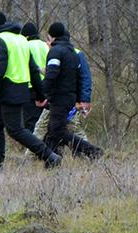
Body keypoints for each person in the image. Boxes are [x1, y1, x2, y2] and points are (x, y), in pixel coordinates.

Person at [0, 11, 61, 169]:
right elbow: (33, 69)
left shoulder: (0, 40)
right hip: (20, 90)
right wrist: (40, 94)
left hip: (8, 91)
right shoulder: (21, 40)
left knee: (16, 130)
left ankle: (49, 156)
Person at [41, 22, 102, 159]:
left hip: (60, 98)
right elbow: (79, 78)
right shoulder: (72, 52)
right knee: (53, 129)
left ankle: (92, 150)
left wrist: (41, 92)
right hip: (69, 98)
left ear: (52, 36)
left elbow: (51, 75)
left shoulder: (56, 52)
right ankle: (52, 160)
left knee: (57, 130)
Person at [21, 22, 49, 131]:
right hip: (46, 86)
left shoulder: (24, 46)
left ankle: (34, 145)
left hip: (30, 87)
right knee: (45, 121)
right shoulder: (45, 46)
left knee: (31, 120)